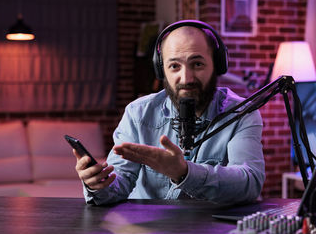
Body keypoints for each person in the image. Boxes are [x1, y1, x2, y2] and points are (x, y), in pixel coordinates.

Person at [73, 20, 265, 205]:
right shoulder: (138, 113)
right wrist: (97, 185)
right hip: (148, 231)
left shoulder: (242, 114)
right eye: (174, 66)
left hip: (210, 230)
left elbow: (250, 183)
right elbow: (118, 183)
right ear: (161, 69)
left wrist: (185, 172)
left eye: (197, 64)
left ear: (217, 65)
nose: (186, 78)